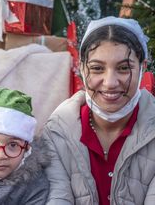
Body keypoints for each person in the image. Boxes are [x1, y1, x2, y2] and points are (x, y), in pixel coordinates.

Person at [43, 16, 155, 204]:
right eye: (97, 68)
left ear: (142, 68)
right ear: (81, 68)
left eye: (124, 68)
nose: (110, 83)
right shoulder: (56, 133)